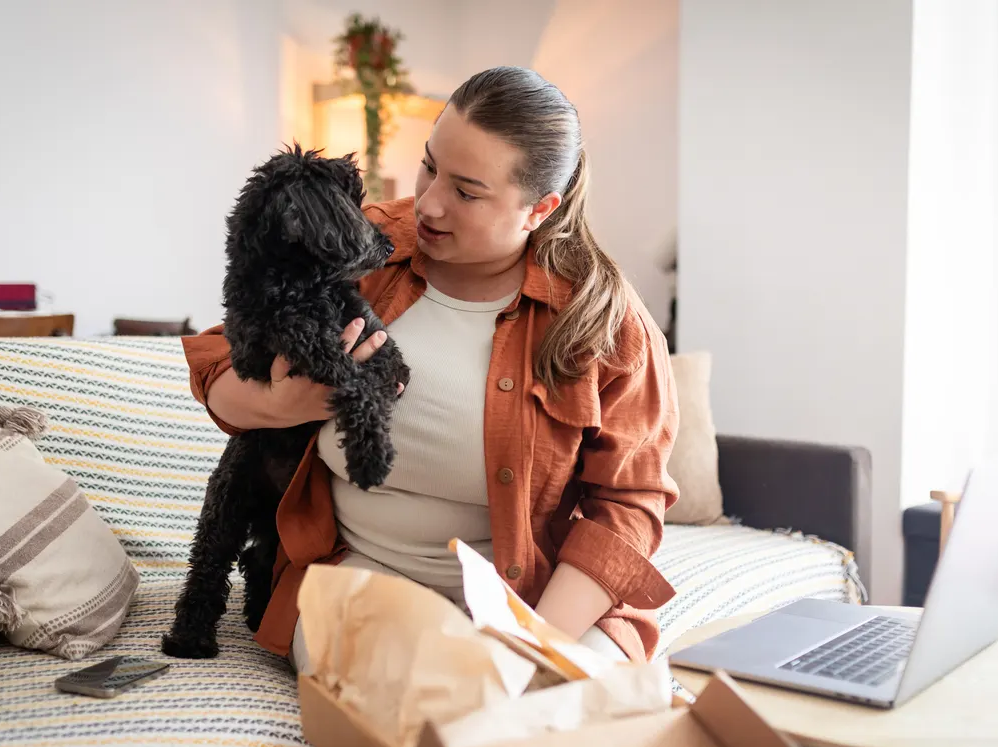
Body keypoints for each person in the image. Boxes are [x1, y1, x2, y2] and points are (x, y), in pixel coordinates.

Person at [181, 65, 680, 671]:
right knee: (423, 709)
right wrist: (276, 406)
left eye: (467, 191)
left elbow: (628, 506)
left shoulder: (604, 319)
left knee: (579, 719)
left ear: (539, 208)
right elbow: (217, 360)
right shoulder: (368, 246)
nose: (430, 201)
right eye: (429, 165)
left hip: (535, 600)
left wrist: (534, 647)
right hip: (362, 575)